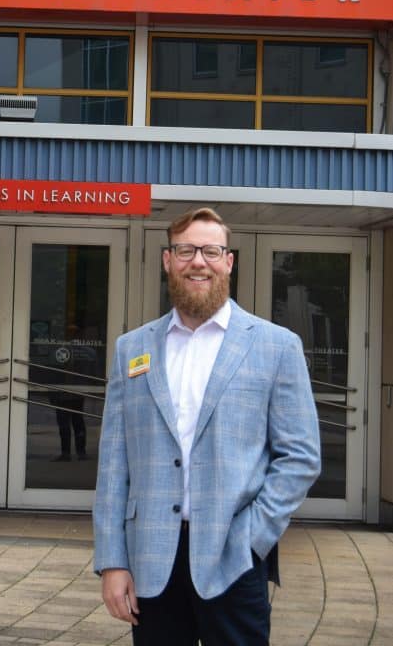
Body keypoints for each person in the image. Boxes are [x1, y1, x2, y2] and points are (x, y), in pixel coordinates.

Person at [93, 207, 321, 645]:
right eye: (186, 250)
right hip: (151, 561)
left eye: (211, 250)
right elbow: (113, 465)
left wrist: (253, 535)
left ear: (228, 261)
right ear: (167, 260)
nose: (198, 261)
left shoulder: (276, 347)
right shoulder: (132, 349)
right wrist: (113, 561)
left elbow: (301, 457)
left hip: (233, 559)